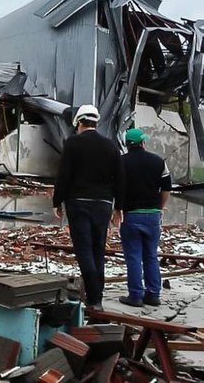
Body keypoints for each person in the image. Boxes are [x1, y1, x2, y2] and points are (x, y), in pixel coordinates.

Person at [52, 104, 124, 311]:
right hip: (103, 204)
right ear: (96, 122)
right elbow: (120, 178)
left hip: (78, 202)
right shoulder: (110, 145)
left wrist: (57, 201)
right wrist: (119, 206)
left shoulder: (73, 143)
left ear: (79, 123)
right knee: (97, 249)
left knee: (84, 250)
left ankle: (94, 298)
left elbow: (64, 174)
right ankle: (96, 296)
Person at [118, 128, 171, 307]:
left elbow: (116, 189)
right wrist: (159, 208)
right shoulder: (158, 161)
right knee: (151, 256)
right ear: (142, 143)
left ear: (127, 144)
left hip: (131, 215)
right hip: (153, 216)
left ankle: (135, 296)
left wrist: (116, 210)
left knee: (133, 256)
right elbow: (166, 189)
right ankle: (153, 294)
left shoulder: (121, 162)